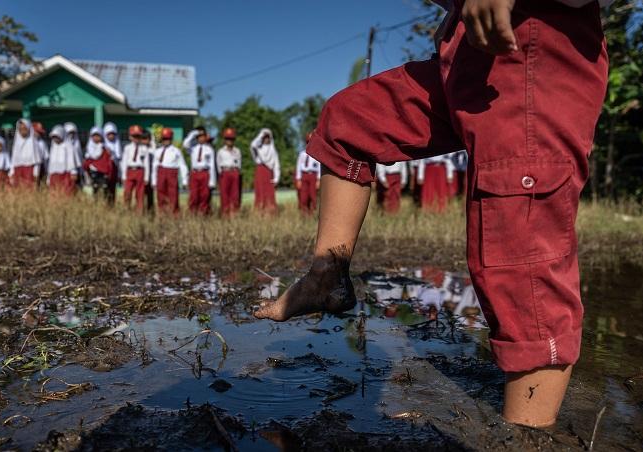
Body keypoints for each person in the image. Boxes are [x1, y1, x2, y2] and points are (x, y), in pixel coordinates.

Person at [255, 0, 611, 429]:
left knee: (520, 249)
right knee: (348, 123)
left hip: (530, 48)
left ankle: (527, 434)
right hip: (462, 57)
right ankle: (325, 276)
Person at [151, 127, 188, 215]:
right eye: (164, 139)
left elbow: (183, 166)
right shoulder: (158, 151)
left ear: (171, 139)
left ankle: (174, 215)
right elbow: (154, 166)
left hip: (172, 173)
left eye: (167, 139)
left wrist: (184, 180)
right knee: (160, 195)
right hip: (161, 173)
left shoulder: (176, 151)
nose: (165, 141)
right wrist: (153, 181)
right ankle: (162, 214)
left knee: (173, 195)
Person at [184, 127, 217, 215]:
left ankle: (203, 214)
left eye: (203, 136)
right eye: (199, 136)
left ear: (206, 137)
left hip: (205, 173)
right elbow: (185, 144)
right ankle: (192, 214)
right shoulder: (192, 148)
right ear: (196, 137)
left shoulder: (209, 149)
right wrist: (194, 133)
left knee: (204, 196)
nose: (201, 138)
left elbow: (212, 165)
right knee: (194, 196)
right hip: (194, 173)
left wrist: (212, 181)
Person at [83, 126, 116, 205]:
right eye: (94, 136)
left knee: (105, 190)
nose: (96, 138)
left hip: (103, 174)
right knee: (94, 190)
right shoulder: (89, 149)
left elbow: (109, 162)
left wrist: (108, 173)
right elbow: (86, 163)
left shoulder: (105, 149)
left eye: (98, 136)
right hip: (92, 173)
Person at [121, 125, 151, 213]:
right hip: (130, 170)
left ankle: (139, 211)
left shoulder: (144, 148)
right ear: (130, 137)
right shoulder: (127, 148)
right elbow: (124, 162)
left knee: (140, 193)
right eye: (134, 136)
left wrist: (146, 177)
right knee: (127, 192)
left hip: (140, 171)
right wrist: (123, 175)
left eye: (138, 136)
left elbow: (146, 163)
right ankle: (126, 209)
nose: (136, 138)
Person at [250, 128, 280, 213]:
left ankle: (270, 212)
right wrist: (261, 134)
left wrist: (276, 177)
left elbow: (276, 164)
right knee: (260, 191)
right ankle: (260, 211)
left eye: (268, 137)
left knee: (269, 192)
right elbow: (253, 145)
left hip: (269, 173)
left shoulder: (273, 150)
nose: (266, 139)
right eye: (264, 137)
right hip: (260, 171)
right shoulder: (258, 148)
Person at [47, 125, 80, 196]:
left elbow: (71, 161)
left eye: (57, 137)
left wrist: (73, 172)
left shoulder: (68, 146)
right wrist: (49, 178)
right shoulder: (53, 147)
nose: (55, 139)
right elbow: (51, 164)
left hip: (65, 175)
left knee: (65, 193)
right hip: (54, 175)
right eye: (54, 137)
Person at [10, 119, 44, 188]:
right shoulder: (16, 143)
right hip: (17, 172)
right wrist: (11, 173)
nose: (22, 130)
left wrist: (36, 174)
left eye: (25, 128)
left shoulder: (33, 143)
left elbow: (36, 162)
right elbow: (13, 161)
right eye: (20, 128)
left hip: (29, 173)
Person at [216, 127, 242, 216]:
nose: (229, 141)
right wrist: (221, 174)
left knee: (235, 194)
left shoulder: (237, 151)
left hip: (234, 172)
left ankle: (234, 213)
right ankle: (225, 213)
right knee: (224, 194)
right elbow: (218, 163)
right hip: (225, 172)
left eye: (231, 139)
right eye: (227, 138)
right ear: (224, 139)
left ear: (234, 139)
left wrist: (237, 172)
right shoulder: (220, 151)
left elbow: (239, 162)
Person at [294, 137, 321, 215]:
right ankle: (304, 212)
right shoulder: (302, 154)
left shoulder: (317, 153)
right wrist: (298, 179)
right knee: (303, 194)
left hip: (313, 175)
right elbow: (298, 166)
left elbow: (319, 167)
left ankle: (312, 212)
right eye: (308, 142)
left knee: (313, 194)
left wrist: (318, 179)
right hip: (304, 175)